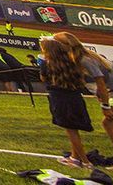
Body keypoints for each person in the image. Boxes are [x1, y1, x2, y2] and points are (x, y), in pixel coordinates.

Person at [56, 32, 113, 164]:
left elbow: (101, 83)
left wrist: (105, 106)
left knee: (109, 124)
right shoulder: (86, 55)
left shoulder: (84, 59)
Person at [38, 36, 93, 168]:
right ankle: (74, 158)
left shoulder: (47, 63)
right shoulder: (71, 61)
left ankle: (85, 162)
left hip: (60, 98)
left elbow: (43, 78)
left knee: (71, 131)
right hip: (75, 97)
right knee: (73, 129)